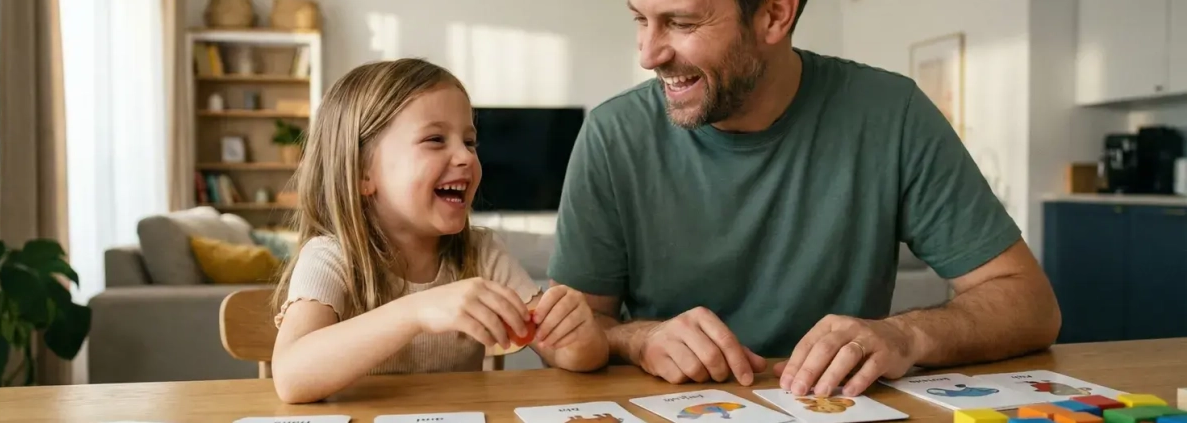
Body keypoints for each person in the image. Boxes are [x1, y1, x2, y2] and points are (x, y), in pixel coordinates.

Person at [547, 0, 1062, 398]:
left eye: (681, 23)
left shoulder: (891, 114)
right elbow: (563, 337)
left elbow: (1031, 306)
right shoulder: (611, 135)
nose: (648, 53)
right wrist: (639, 340)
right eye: (641, 18)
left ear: (774, 14)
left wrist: (906, 335)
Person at [269, 58, 610, 404]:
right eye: (435, 139)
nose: (465, 157)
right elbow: (291, 378)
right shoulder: (330, 256)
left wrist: (581, 337)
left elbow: (572, 356)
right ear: (362, 173)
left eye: (470, 142)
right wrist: (417, 312)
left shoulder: (482, 252)